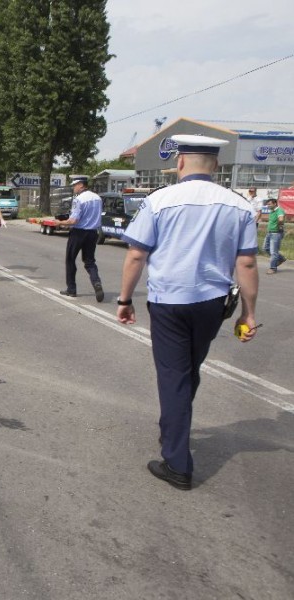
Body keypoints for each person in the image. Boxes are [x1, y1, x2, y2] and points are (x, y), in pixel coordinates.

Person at [116, 134, 259, 491]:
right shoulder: (239, 205)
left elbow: (136, 254)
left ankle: (177, 463)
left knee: (173, 375)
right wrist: (249, 313)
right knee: (189, 369)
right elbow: (246, 262)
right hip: (212, 304)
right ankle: (173, 427)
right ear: (217, 165)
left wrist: (124, 299)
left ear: (180, 162)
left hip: (169, 303)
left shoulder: (160, 201)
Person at [53, 176, 104, 301]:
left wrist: (59, 223)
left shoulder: (79, 199)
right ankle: (96, 282)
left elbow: (74, 220)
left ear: (81, 185)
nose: (74, 188)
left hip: (78, 233)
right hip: (93, 233)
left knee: (70, 260)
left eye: (75, 185)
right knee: (90, 261)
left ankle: (71, 289)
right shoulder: (97, 198)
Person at [262, 197, 286, 274]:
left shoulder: (279, 210)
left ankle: (273, 268)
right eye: (267, 204)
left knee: (273, 252)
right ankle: (281, 258)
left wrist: (279, 226)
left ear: (275, 203)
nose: (268, 206)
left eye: (269, 204)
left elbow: (281, 219)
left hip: (276, 233)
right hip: (270, 232)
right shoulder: (272, 211)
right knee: (265, 248)